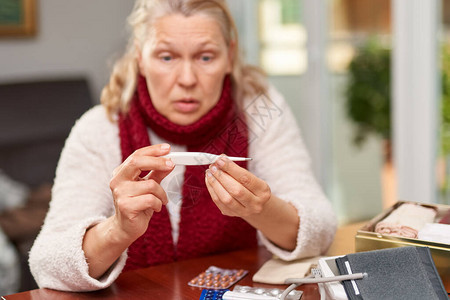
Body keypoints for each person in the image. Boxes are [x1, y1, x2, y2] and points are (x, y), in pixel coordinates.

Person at [29, 0, 337, 292]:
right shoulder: (98, 129)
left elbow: (321, 228)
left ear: (229, 56)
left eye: (205, 57)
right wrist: (118, 230)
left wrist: (262, 209)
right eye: (166, 57)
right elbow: (47, 264)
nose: (187, 79)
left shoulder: (261, 114)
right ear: (140, 58)